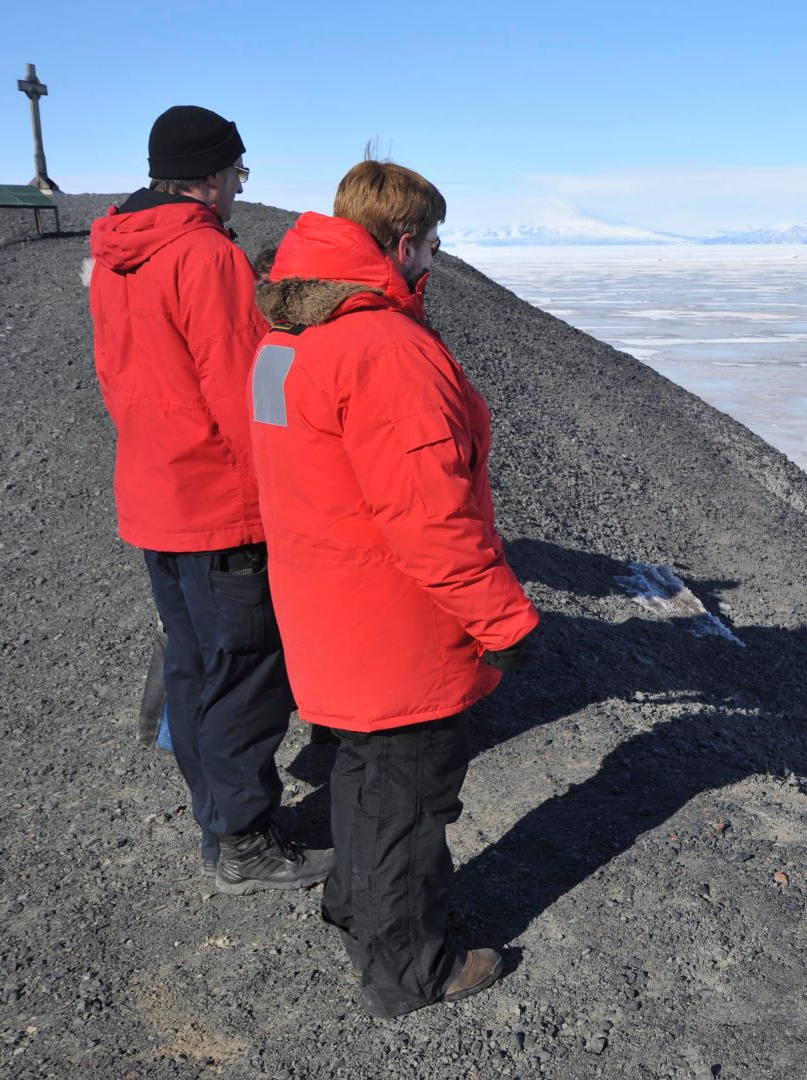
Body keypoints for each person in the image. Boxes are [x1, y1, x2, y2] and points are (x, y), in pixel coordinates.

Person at [249, 159, 540, 1017]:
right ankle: (410, 966)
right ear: (403, 242)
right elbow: (432, 520)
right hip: (391, 618)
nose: (436, 258)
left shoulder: (286, 337)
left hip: (321, 597)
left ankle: (355, 907)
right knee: (407, 794)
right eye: (435, 242)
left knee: (361, 766)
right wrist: (505, 620)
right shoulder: (386, 349)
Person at [88, 105, 331, 894]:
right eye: (238, 173)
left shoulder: (118, 254)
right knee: (248, 671)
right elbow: (240, 395)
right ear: (212, 177)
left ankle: (217, 824)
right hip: (219, 505)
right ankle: (246, 842)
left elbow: (115, 377)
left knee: (193, 667)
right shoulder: (206, 258)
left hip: (153, 494)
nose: (238, 188)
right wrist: (286, 501)